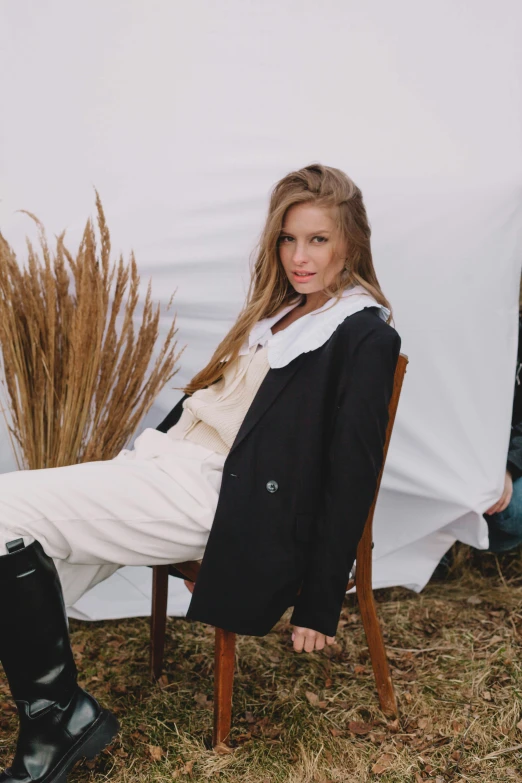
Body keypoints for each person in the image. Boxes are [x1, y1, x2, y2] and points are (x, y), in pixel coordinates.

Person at [0, 163, 401, 782]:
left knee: (6, 509)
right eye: (288, 239)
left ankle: (59, 719)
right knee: (23, 542)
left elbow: (353, 471)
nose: (299, 256)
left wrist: (320, 600)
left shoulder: (360, 333)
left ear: (352, 241)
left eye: (318, 240)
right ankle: (56, 715)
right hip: (171, 469)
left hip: (223, 498)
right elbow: (208, 407)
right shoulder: (280, 312)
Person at [483, 311, 522, 551]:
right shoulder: (503, 326)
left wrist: (509, 467)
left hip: (513, 460)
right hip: (484, 454)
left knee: (509, 512)